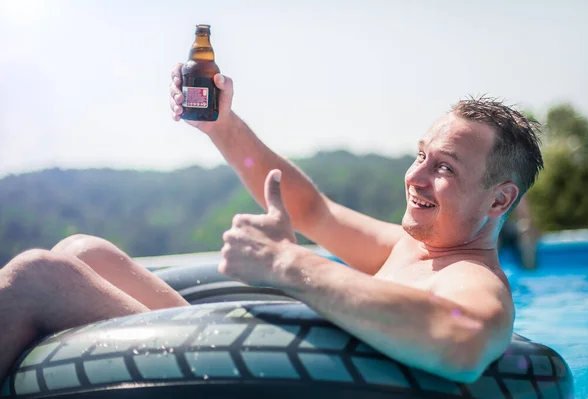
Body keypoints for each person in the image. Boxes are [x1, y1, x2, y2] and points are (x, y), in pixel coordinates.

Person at [0, 66, 543, 385]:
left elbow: (466, 337)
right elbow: (313, 212)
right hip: (252, 371)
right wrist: (222, 127)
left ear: (500, 199)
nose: (415, 176)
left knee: (38, 276)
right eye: (419, 155)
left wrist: (289, 264)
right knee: (84, 252)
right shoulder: (411, 249)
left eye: (443, 167)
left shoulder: (471, 280)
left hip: (267, 389)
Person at [499, 195, 540, 269]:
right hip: (489, 229)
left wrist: (525, 222)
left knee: (525, 235)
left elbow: (521, 203)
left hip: (506, 225)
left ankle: (530, 272)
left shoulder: (510, 187)